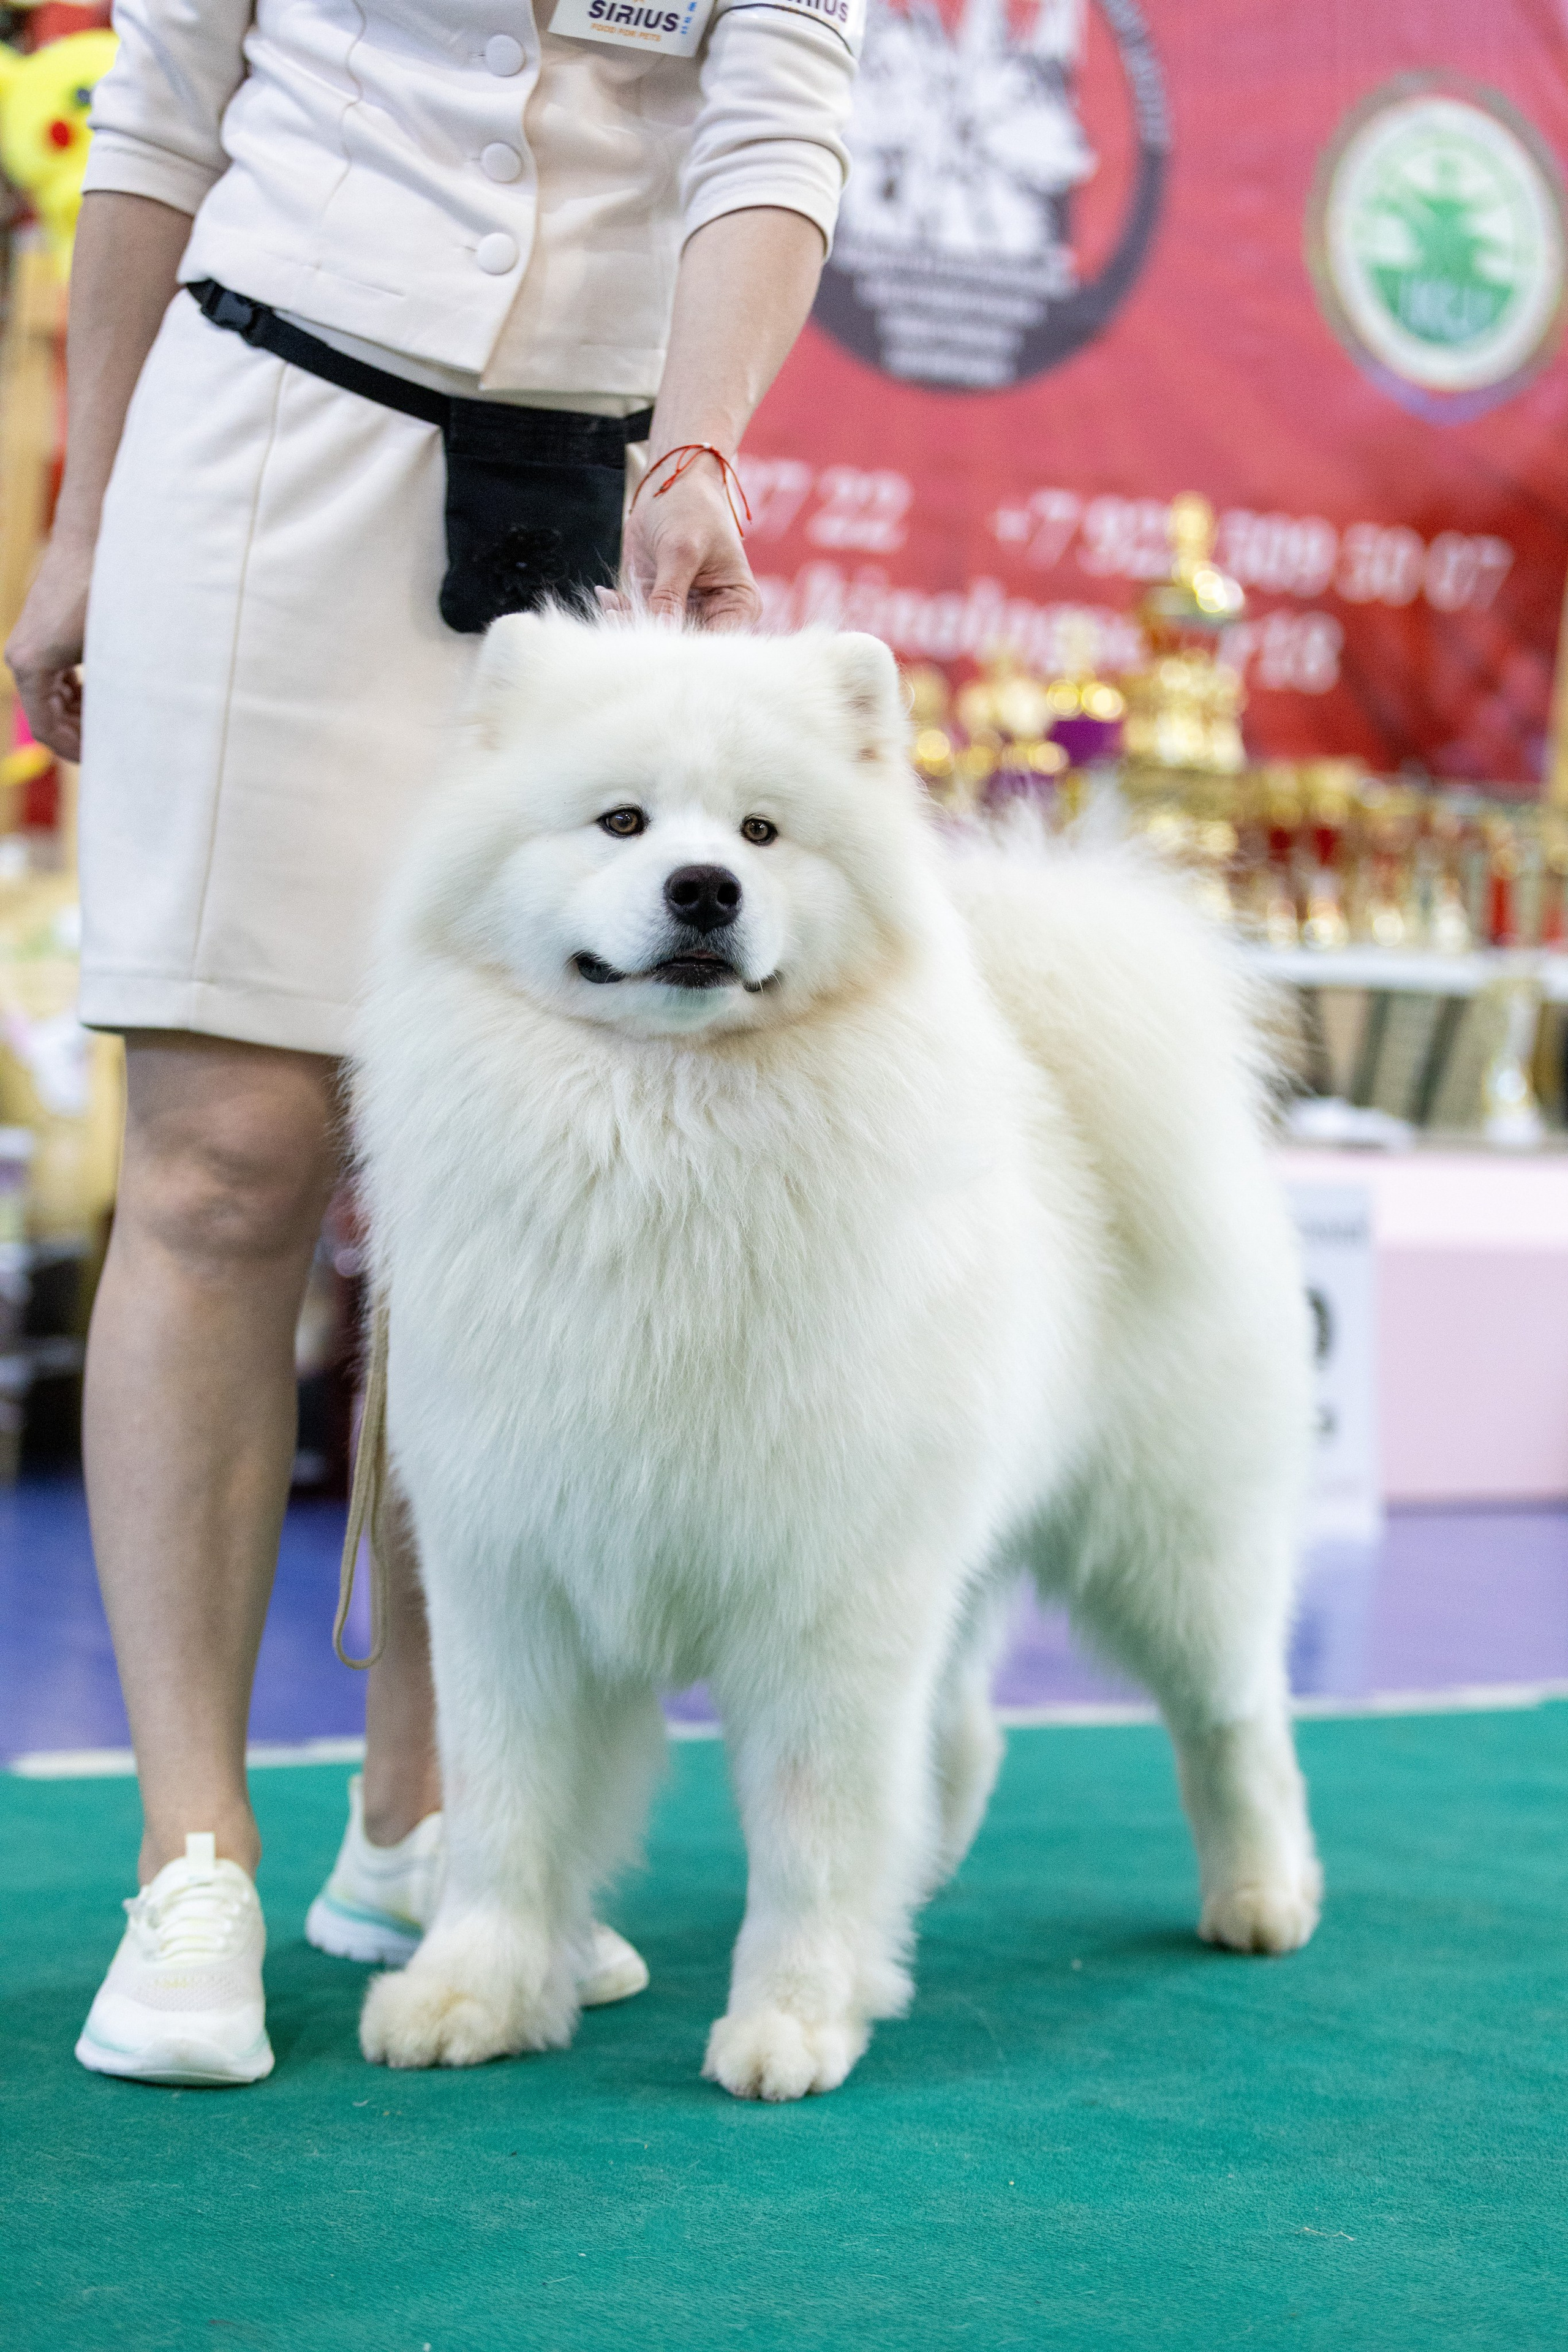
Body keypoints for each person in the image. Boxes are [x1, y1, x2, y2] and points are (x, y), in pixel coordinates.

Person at [4, 0, 858, 2086]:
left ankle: (429, 1809)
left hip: (588, 503)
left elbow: (775, 123)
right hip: (264, 449)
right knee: (224, 1163)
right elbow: (167, 110)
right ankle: (190, 1845)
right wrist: (86, 514)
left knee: (502, 1180)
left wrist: (702, 449)